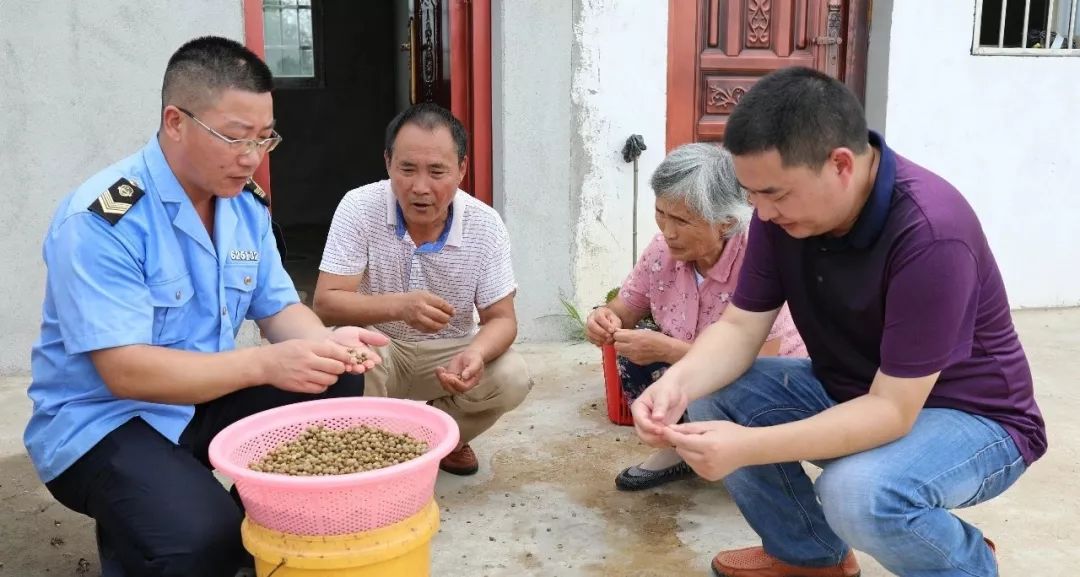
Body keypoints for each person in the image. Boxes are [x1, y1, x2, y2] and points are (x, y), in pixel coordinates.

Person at [633, 66, 1046, 577]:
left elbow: (892, 412)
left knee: (856, 494)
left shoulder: (931, 231)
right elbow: (740, 329)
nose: (760, 213)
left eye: (775, 194)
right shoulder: (779, 215)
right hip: (856, 392)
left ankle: (964, 564)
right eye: (752, 194)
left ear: (841, 165)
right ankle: (809, 558)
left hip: (974, 419)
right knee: (714, 390)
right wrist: (673, 385)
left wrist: (745, 447)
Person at [23, 37, 388, 577]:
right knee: (202, 539)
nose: (251, 158)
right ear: (176, 122)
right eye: (234, 138)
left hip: (200, 397)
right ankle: (164, 526)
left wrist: (328, 345)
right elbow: (124, 371)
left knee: (332, 380)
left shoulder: (245, 205)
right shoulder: (103, 219)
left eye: (265, 139)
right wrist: (265, 363)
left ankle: (192, 515)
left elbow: (280, 306)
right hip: (103, 420)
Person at [313, 103, 531, 476]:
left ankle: (444, 437)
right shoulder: (359, 207)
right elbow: (325, 303)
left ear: (462, 169)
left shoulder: (485, 225)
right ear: (388, 163)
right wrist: (399, 307)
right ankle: (375, 449)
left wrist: (476, 353)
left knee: (512, 375)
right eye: (407, 169)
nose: (420, 187)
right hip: (382, 348)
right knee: (346, 361)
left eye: (437, 172)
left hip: (449, 354)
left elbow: (502, 319)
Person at [585, 143, 805, 491]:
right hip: (700, 366)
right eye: (661, 213)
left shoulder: (758, 260)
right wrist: (603, 318)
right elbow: (624, 310)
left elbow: (764, 360)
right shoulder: (663, 251)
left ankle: (758, 464)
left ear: (726, 222)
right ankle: (681, 450)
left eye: (683, 220)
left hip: (771, 381)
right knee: (637, 355)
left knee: (715, 382)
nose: (668, 231)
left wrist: (669, 350)